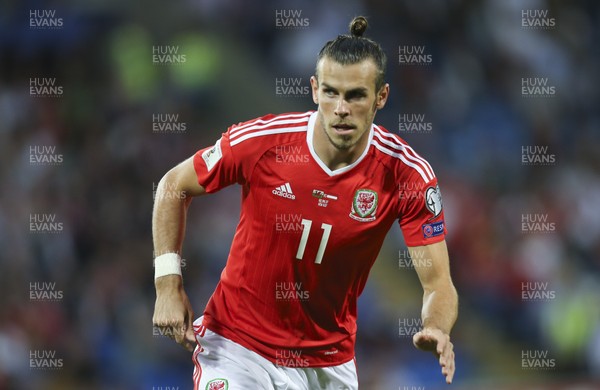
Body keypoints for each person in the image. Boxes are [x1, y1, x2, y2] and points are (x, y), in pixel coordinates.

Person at [152, 16, 458, 389]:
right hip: (237, 346)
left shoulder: (406, 175)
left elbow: (438, 283)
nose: (341, 108)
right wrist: (168, 285)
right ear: (314, 90)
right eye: (331, 92)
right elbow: (173, 185)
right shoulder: (265, 142)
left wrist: (437, 327)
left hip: (329, 366)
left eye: (356, 95)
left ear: (381, 97)